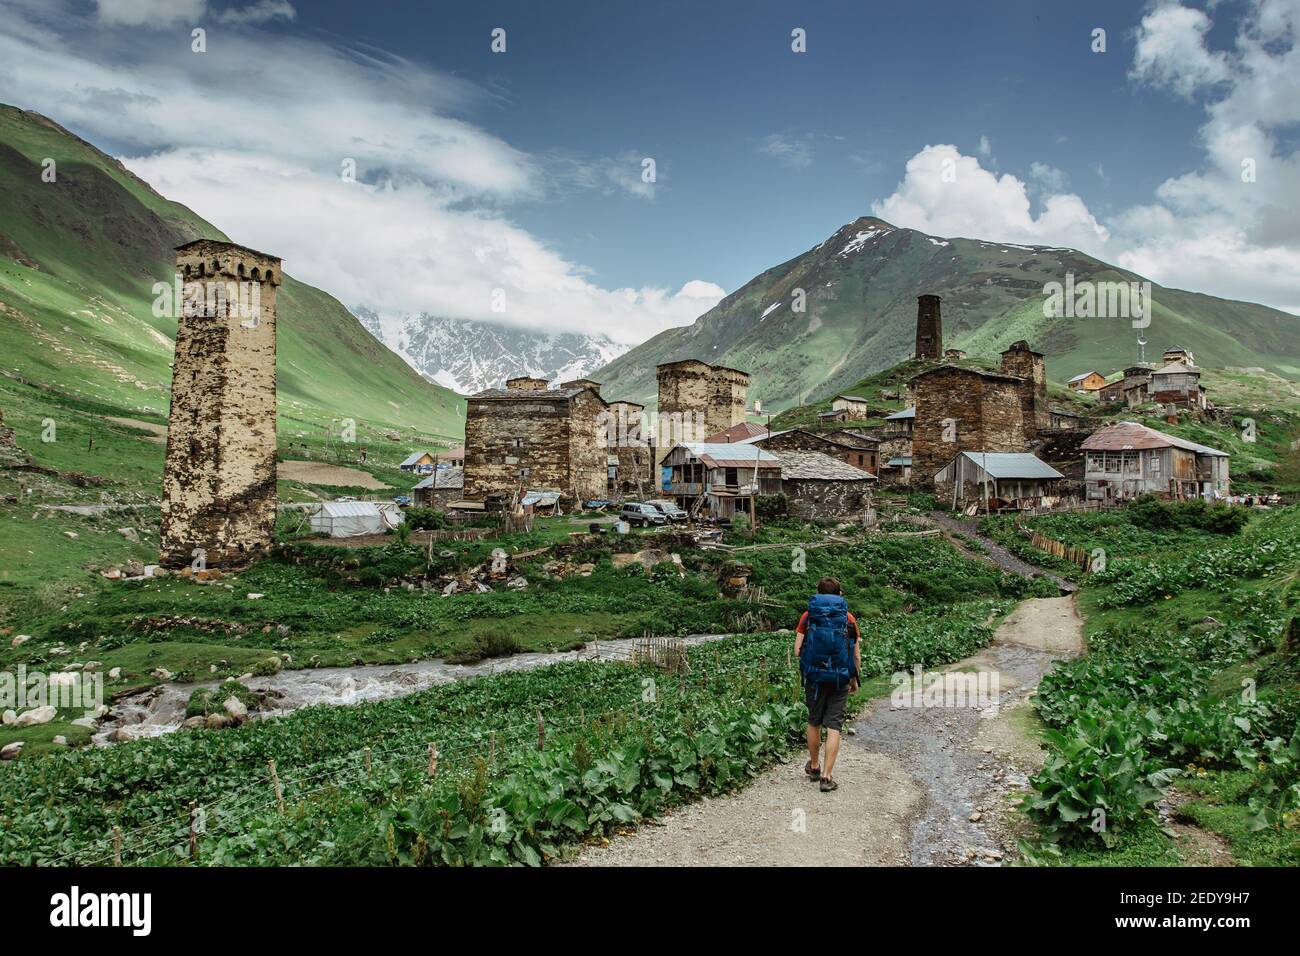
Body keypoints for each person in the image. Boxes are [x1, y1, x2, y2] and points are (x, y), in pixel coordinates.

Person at [794, 576, 861, 792]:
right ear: (839, 594)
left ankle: (814, 766)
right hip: (840, 677)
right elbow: (855, 653)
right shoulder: (848, 617)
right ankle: (827, 777)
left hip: (814, 676)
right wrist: (854, 678)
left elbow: (797, 650)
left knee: (814, 721)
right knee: (834, 725)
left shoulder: (808, 615)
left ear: (818, 593)